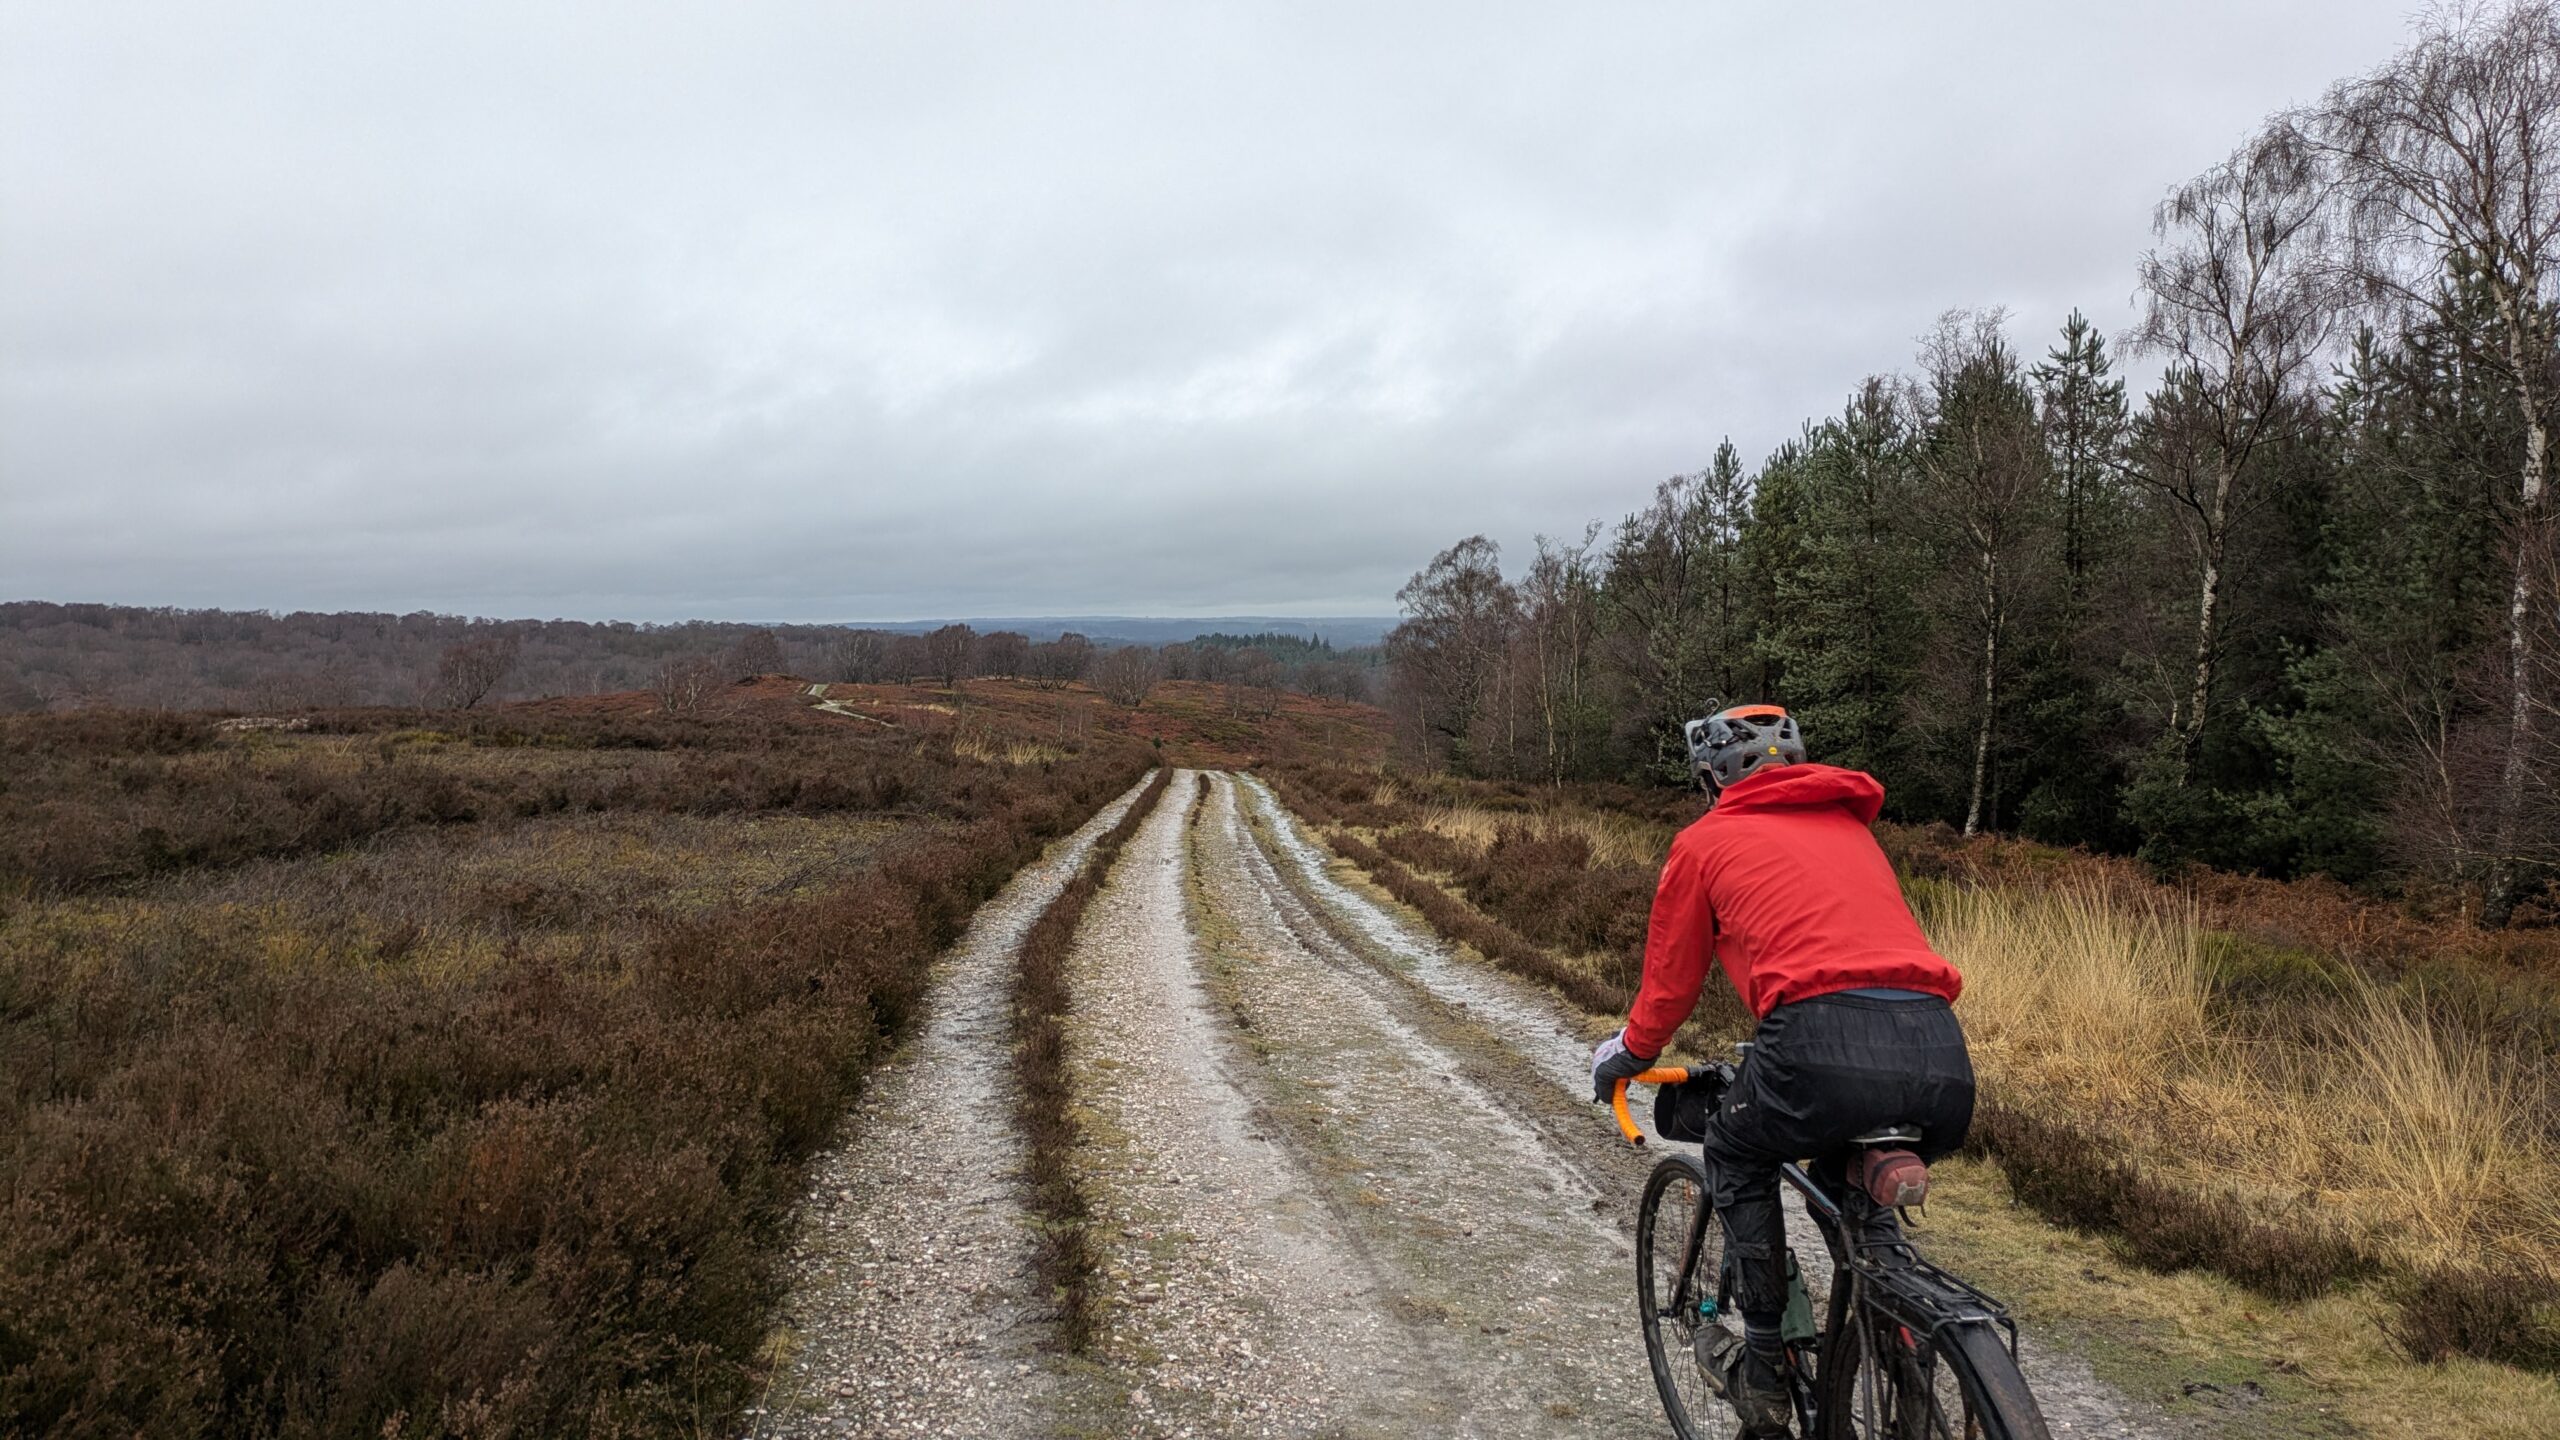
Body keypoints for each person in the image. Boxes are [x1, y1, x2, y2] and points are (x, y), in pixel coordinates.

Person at [1590, 704, 1974, 1436]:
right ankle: (1898, 1341)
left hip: (1814, 1045)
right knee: (1851, 1191)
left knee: (1736, 1146)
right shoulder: (1852, 829)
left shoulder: (1706, 843)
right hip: (1939, 1052)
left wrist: (1628, 1056)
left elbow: (1669, 986)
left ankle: (1764, 1362)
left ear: (1711, 778)